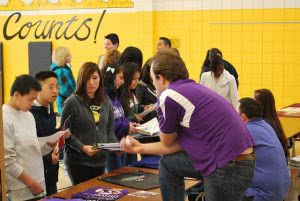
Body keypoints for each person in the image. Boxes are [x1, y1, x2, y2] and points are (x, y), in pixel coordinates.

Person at [121, 51, 255, 201]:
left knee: (168, 162)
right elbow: (181, 144)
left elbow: (167, 142)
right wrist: (140, 148)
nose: (154, 87)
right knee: (169, 163)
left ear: (162, 78)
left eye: (153, 80)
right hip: (240, 162)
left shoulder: (168, 95)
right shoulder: (194, 89)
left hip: (227, 165)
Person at [61, 62, 117, 185]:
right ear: (81, 79)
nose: (91, 82)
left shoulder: (106, 101)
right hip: (78, 162)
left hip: (101, 160)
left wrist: (115, 146)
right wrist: (82, 147)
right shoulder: (71, 102)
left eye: (95, 78)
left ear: (100, 80)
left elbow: (109, 130)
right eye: (87, 78)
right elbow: (63, 133)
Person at [3, 75, 56, 200]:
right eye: (30, 99)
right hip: (20, 188)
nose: (32, 104)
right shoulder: (4, 118)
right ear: (16, 95)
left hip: (38, 182)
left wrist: (48, 145)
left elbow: (34, 149)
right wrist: (31, 183)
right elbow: (8, 161)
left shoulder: (29, 116)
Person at [239, 98, 290, 201]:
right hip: (282, 188)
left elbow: (227, 156)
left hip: (264, 194)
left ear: (243, 117)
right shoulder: (266, 125)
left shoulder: (247, 130)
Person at [30, 71, 71, 196]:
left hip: (51, 173)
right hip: (35, 178)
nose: (55, 91)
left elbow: (48, 133)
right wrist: (49, 159)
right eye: (50, 87)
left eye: (57, 86)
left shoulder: (49, 108)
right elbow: (29, 148)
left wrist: (61, 133)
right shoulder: (29, 113)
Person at [103, 65, 137, 172]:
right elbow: (106, 124)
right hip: (111, 146)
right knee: (115, 176)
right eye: (120, 78)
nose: (123, 82)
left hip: (120, 142)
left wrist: (130, 124)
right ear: (112, 78)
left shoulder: (115, 97)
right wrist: (126, 126)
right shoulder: (104, 98)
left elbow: (121, 117)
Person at [254, 89, 289, 159]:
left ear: (261, 104)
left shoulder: (264, 124)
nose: (252, 104)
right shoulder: (273, 119)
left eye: (254, 101)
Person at [50, 46, 76, 115]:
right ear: (62, 57)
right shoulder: (62, 71)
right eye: (68, 55)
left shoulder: (56, 69)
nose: (70, 56)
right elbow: (68, 91)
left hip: (62, 104)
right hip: (68, 105)